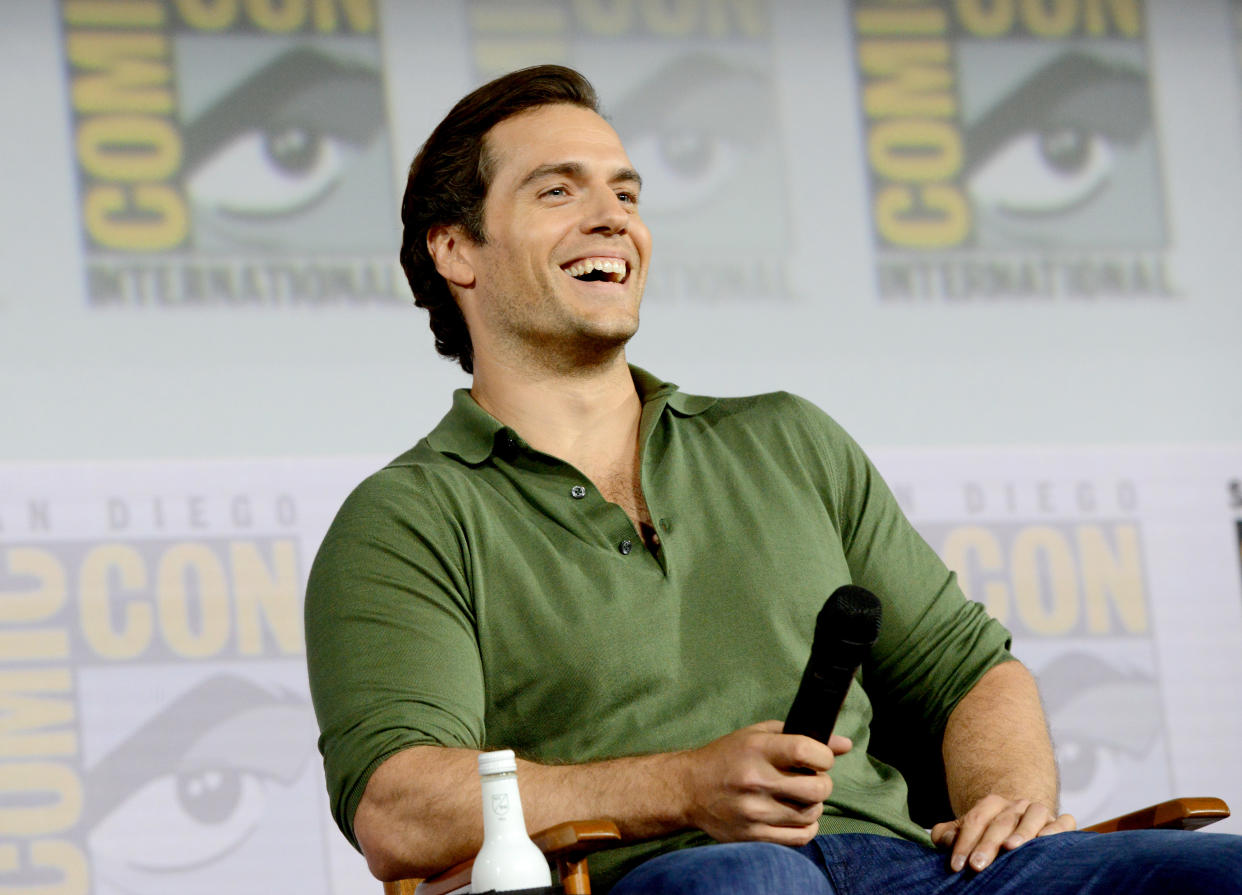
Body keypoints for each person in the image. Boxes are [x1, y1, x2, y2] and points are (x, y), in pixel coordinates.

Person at [305, 65, 1241, 894]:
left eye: (626, 193)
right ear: (455, 250)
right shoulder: (408, 517)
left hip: (909, 869)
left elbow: (970, 673)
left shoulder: (787, 438)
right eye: (558, 190)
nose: (613, 217)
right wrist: (684, 787)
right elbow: (400, 806)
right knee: (751, 875)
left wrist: (1008, 800)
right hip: (665, 874)